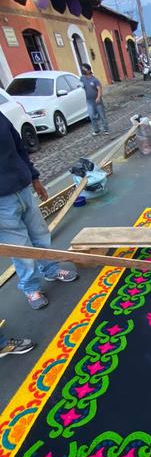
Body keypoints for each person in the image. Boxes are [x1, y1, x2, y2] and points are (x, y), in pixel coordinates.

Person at [0, 112, 78, 309]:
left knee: (39, 234)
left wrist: (34, 177)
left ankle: (51, 269)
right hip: (1, 201)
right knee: (20, 247)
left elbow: (19, 147)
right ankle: (30, 287)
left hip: (22, 187)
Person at [80, 63, 109, 136]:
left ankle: (106, 129)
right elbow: (81, 85)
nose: (83, 70)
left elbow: (99, 89)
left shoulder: (95, 80)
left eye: (84, 69)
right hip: (89, 101)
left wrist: (98, 97)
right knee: (91, 116)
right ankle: (96, 130)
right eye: (82, 69)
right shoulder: (82, 78)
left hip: (97, 101)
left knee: (102, 115)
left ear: (89, 70)